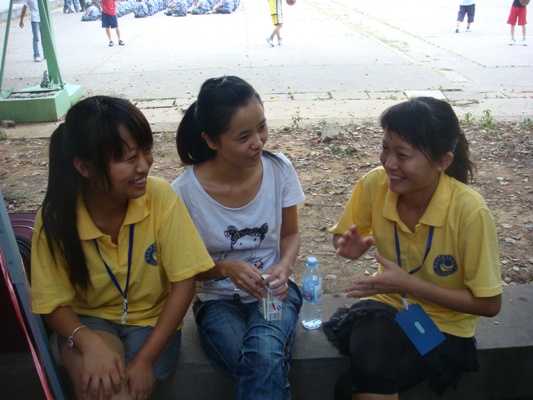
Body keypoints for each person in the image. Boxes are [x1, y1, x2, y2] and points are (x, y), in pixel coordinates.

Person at [30, 96, 214, 400]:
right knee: (99, 386)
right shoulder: (56, 218)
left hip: (152, 324)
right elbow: (51, 303)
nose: (144, 165)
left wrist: (144, 361)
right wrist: (89, 343)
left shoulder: (159, 196)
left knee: (121, 391)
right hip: (90, 323)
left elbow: (184, 283)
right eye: (129, 158)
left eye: (146, 150)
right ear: (84, 167)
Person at [324, 97, 502, 400]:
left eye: (403, 155)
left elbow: (489, 304)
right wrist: (347, 246)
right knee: (369, 371)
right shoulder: (375, 184)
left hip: (445, 326)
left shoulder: (469, 212)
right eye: (385, 148)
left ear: (443, 161)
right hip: (385, 306)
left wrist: (409, 285)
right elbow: (343, 236)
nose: (389, 163)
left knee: (350, 388)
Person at [171, 75, 304, 400]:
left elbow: (290, 234)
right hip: (217, 302)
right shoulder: (184, 193)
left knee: (262, 356)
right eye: (243, 136)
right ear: (211, 140)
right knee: (262, 362)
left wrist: (284, 267)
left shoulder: (279, 170)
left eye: (262, 127)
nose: (258, 142)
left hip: (274, 292)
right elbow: (183, 269)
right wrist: (224, 268)